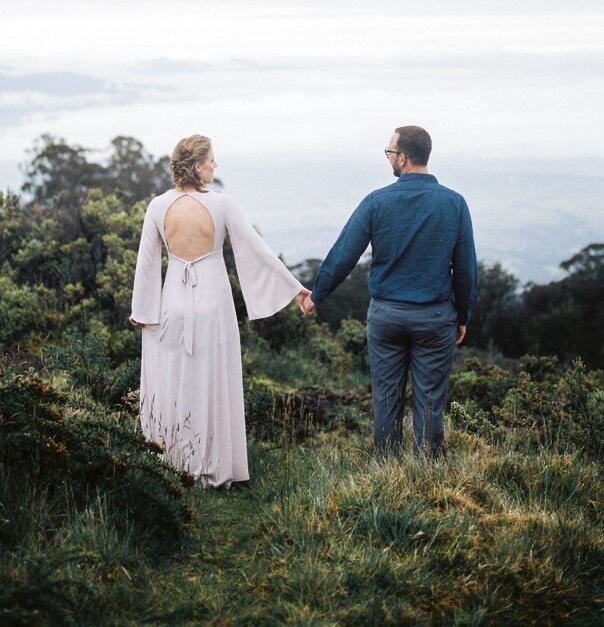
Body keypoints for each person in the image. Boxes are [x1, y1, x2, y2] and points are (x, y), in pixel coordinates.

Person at [130, 134, 310, 487]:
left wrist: (142, 310)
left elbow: (147, 261)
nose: (216, 165)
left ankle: (176, 458)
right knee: (211, 380)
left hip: (172, 302)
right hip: (212, 300)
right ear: (197, 167)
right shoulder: (223, 205)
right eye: (211, 160)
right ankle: (211, 464)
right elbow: (257, 251)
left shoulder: (157, 206)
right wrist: (295, 288)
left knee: (175, 378)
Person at [299, 126, 476, 455]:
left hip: (386, 316)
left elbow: (344, 255)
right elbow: (465, 269)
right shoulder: (455, 204)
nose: (389, 159)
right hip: (436, 318)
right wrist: (462, 315)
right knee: (429, 402)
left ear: (404, 158)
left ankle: (387, 473)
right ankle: (425, 477)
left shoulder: (376, 202)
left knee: (386, 398)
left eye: (390, 153)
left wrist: (317, 295)